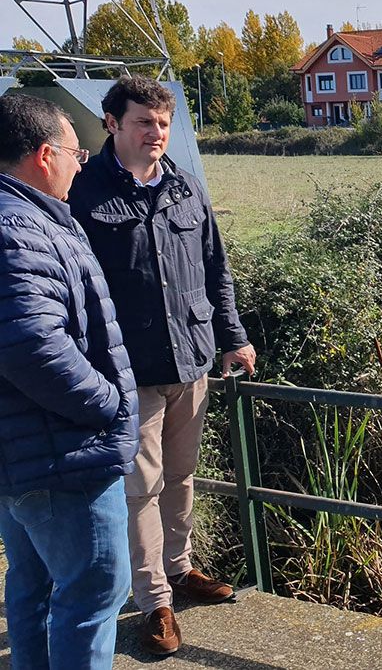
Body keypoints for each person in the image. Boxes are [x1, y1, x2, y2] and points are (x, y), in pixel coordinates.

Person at [68, 75, 256, 656]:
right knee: (140, 486)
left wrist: (233, 337)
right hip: (129, 368)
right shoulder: (84, 193)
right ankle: (155, 603)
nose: (157, 134)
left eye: (164, 124)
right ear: (112, 124)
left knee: (181, 474)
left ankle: (180, 570)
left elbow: (213, 268)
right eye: (144, 122)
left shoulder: (186, 187)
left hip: (192, 358)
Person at [0, 93, 140, 668]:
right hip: (65, 457)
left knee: (33, 593)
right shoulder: (19, 228)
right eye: (75, 151)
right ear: (42, 154)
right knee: (90, 597)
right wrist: (107, 404)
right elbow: (29, 343)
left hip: (27, 453)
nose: (81, 163)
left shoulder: (24, 218)